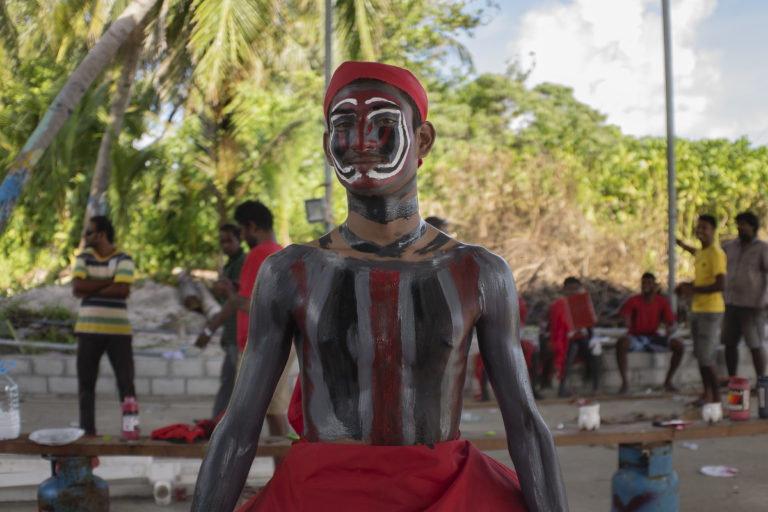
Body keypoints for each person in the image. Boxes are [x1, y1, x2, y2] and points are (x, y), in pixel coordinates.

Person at [192, 61, 567, 512]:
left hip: (449, 495)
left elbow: (525, 422)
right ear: (329, 148)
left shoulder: (479, 272)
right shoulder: (289, 272)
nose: (362, 140)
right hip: (317, 496)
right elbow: (238, 427)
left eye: (384, 123)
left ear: (423, 139)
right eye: (344, 125)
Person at [71, 215, 136, 435]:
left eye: (89, 232)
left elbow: (122, 290)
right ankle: (87, 433)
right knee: (85, 386)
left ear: (102, 234)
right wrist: (111, 280)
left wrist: (90, 289)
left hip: (118, 332)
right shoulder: (83, 257)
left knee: (126, 384)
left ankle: (130, 429)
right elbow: (77, 287)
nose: (85, 236)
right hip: (88, 330)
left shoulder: (125, 258)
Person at [195, 224, 248, 419]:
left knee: (232, 382)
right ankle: (218, 421)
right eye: (222, 242)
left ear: (239, 239)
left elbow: (233, 303)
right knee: (229, 380)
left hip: (242, 335)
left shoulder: (243, 262)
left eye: (229, 240)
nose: (225, 245)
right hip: (233, 333)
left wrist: (209, 331)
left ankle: (218, 423)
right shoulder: (230, 264)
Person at [676, 214, 726, 405]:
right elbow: (696, 258)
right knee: (700, 355)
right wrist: (685, 287)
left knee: (707, 357)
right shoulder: (702, 253)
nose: (700, 231)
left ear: (713, 230)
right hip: (697, 309)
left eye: (705, 228)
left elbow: (721, 284)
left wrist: (692, 289)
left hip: (711, 311)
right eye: (699, 227)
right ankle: (707, 394)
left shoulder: (716, 253)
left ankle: (717, 399)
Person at [615, 272, 684, 394]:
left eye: (649, 283)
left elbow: (672, 323)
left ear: (655, 286)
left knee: (679, 345)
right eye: (643, 283)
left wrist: (671, 330)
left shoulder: (662, 302)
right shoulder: (633, 301)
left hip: (654, 337)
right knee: (622, 343)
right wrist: (625, 321)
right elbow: (625, 317)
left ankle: (668, 382)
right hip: (636, 337)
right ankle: (625, 383)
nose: (645, 286)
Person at [720, 211, 768, 379]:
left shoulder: (762, 248)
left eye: (743, 225)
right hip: (731, 303)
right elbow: (710, 256)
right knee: (729, 343)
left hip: (753, 306)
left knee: (755, 344)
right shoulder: (729, 247)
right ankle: (733, 379)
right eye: (738, 224)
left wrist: (765, 299)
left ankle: (761, 381)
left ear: (752, 227)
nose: (740, 228)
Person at [549, 277, 600, 398]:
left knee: (594, 352)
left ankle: (596, 387)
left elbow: (589, 324)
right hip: (564, 340)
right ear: (564, 290)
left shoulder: (582, 303)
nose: (572, 292)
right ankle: (562, 387)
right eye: (569, 289)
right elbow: (555, 328)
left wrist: (593, 338)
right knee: (571, 349)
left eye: (575, 289)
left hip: (580, 338)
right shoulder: (558, 304)